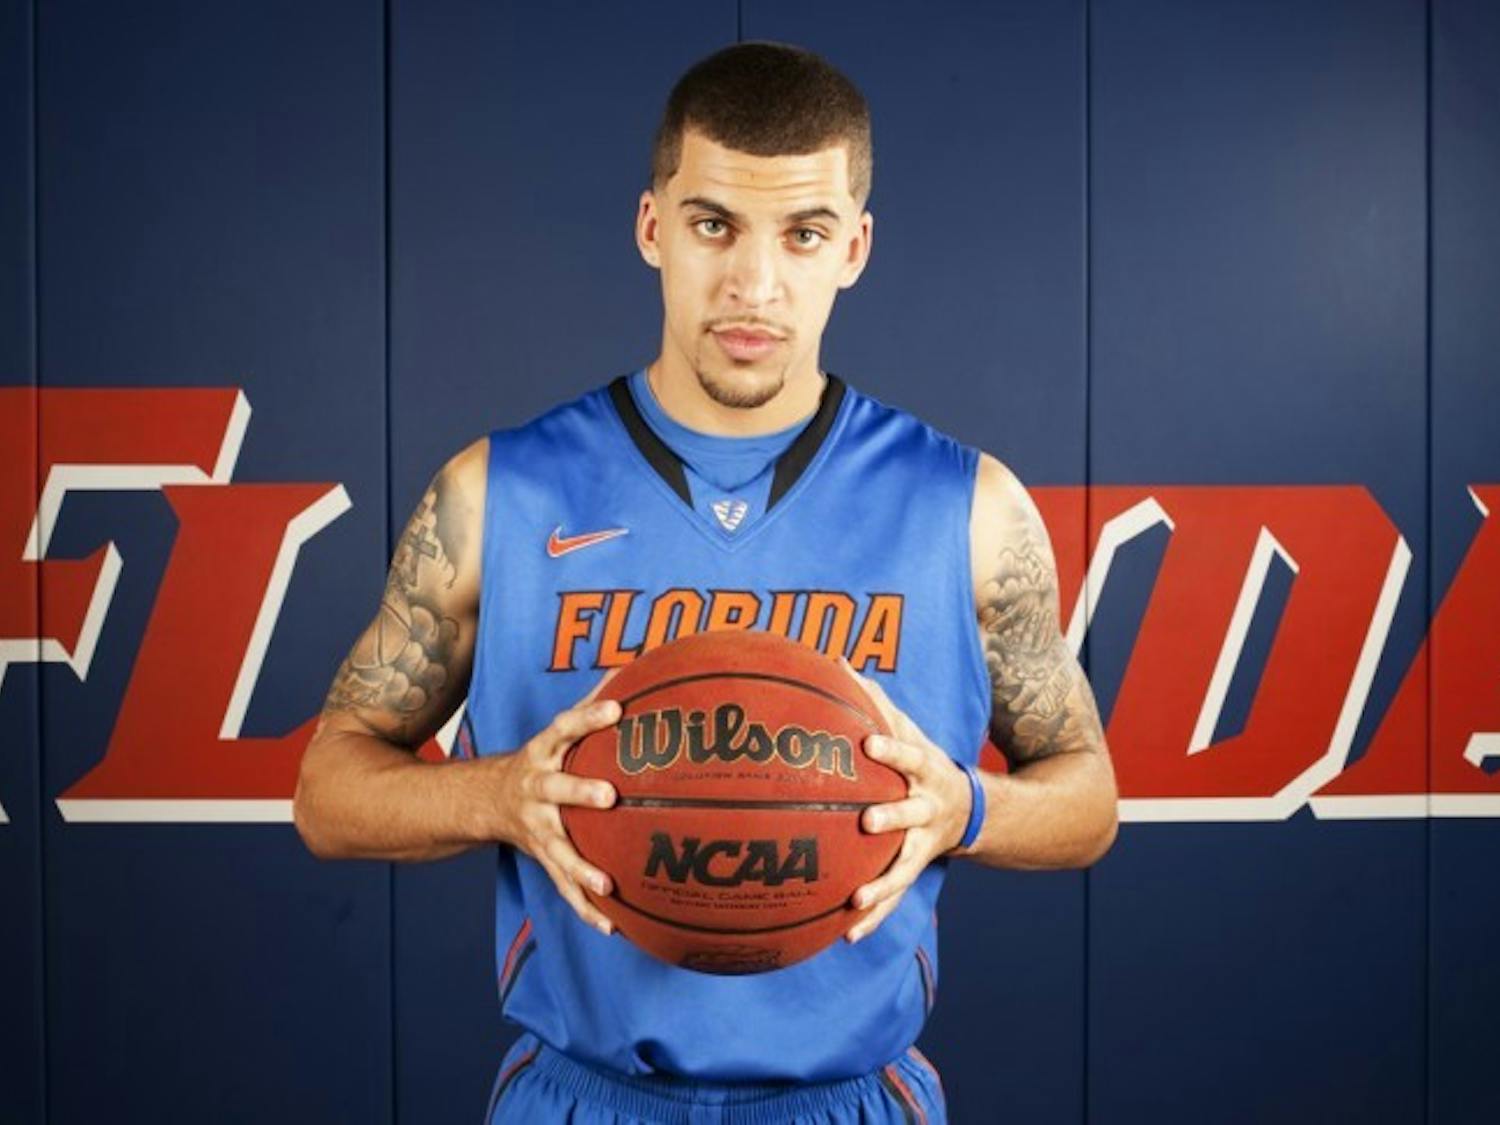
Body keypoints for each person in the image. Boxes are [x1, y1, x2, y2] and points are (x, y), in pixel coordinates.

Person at [294, 41, 1117, 1124]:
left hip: (849, 1099)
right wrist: (496, 795)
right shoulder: (499, 494)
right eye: (713, 223)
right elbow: (327, 793)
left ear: (856, 248)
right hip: (582, 1098)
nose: (753, 284)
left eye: (804, 234)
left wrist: (962, 806)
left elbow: (1088, 799)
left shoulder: (966, 509)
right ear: (652, 227)